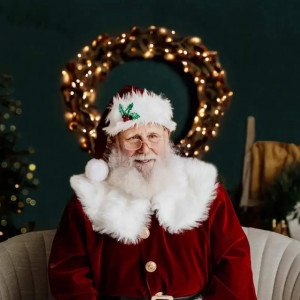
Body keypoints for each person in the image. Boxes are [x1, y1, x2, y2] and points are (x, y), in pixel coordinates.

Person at [48, 85, 257, 300]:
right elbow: (70, 277)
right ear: (114, 141)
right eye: (133, 138)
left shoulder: (204, 190)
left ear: (167, 135)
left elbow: (233, 263)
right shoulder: (87, 200)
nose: (145, 148)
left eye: (153, 136)